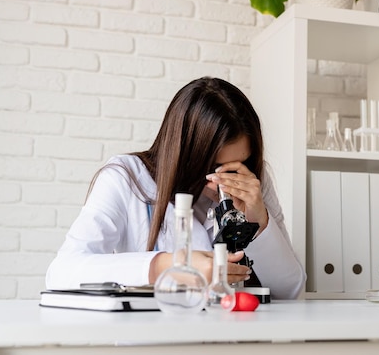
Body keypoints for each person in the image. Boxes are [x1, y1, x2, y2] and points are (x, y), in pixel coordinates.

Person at [46, 77, 306, 299]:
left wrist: (259, 220)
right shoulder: (126, 177)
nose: (225, 181)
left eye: (237, 166)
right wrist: (167, 265)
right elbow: (62, 273)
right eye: (215, 166)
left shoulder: (252, 184)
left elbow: (290, 290)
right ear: (187, 155)